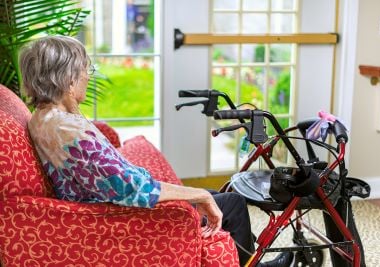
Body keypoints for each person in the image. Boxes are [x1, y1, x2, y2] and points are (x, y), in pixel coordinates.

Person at [20, 36, 293, 267]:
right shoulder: (66, 130)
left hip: (105, 204)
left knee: (217, 196)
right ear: (68, 78)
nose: (87, 77)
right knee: (230, 204)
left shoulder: (44, 116)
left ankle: (244, 256)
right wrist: (195, 193)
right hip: (118, 216)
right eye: (84, 70)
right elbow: (130, 187)